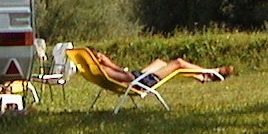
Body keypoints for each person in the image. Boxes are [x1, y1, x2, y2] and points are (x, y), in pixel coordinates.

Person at [88, 47, 235, 88]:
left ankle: (200, 76)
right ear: (98, 59)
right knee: (178, 63)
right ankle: (210, 72)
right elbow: (127, 77)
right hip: (141, 81)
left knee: (160, 62)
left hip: (139, 77)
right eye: (101, 55)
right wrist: (111, 64)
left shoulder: (99, 70)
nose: (104, 56)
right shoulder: (106, 69)